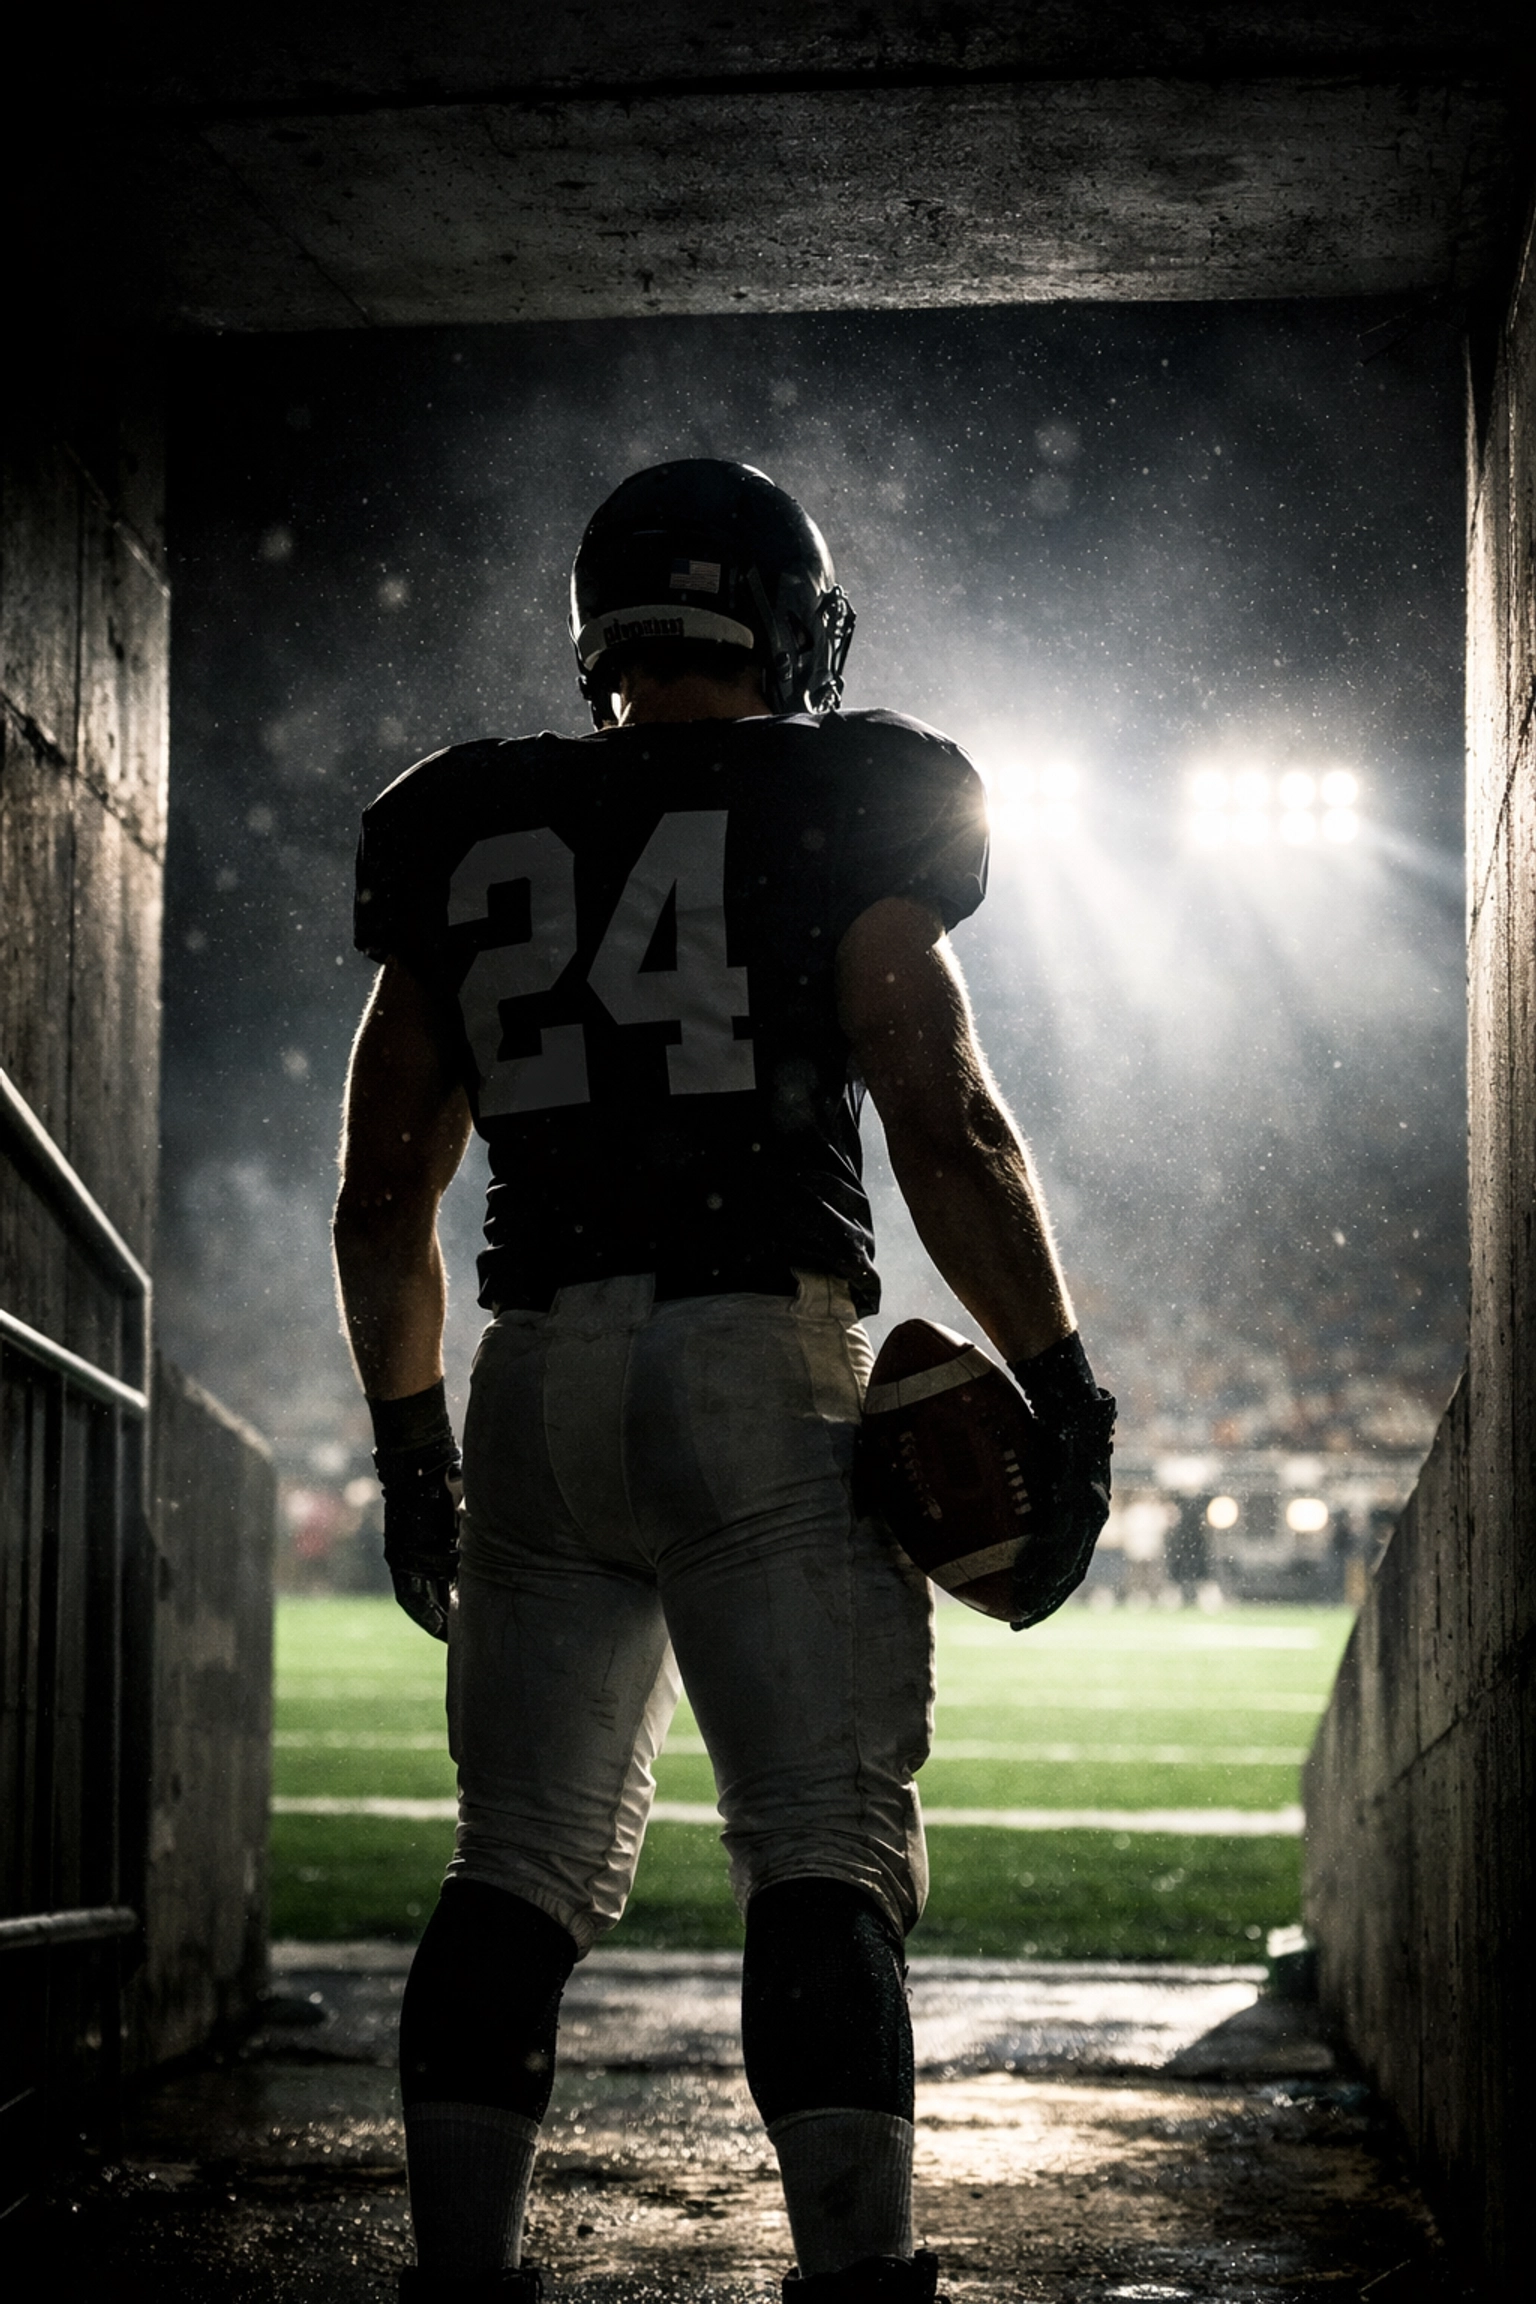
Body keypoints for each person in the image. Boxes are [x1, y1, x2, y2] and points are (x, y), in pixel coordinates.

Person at [332, 460, 1112, 2304]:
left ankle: (461, 2280)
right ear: (783, 617)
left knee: (510, 1868)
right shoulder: (848, 788)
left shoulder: (457, 814)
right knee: (822, 1857)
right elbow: (945, 1112)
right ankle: (855, 2279)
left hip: (528, 1380)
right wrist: (1063, 1391)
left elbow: (383, 1189)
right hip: (758, 1360)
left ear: (604, 625)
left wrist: (406, 1446)